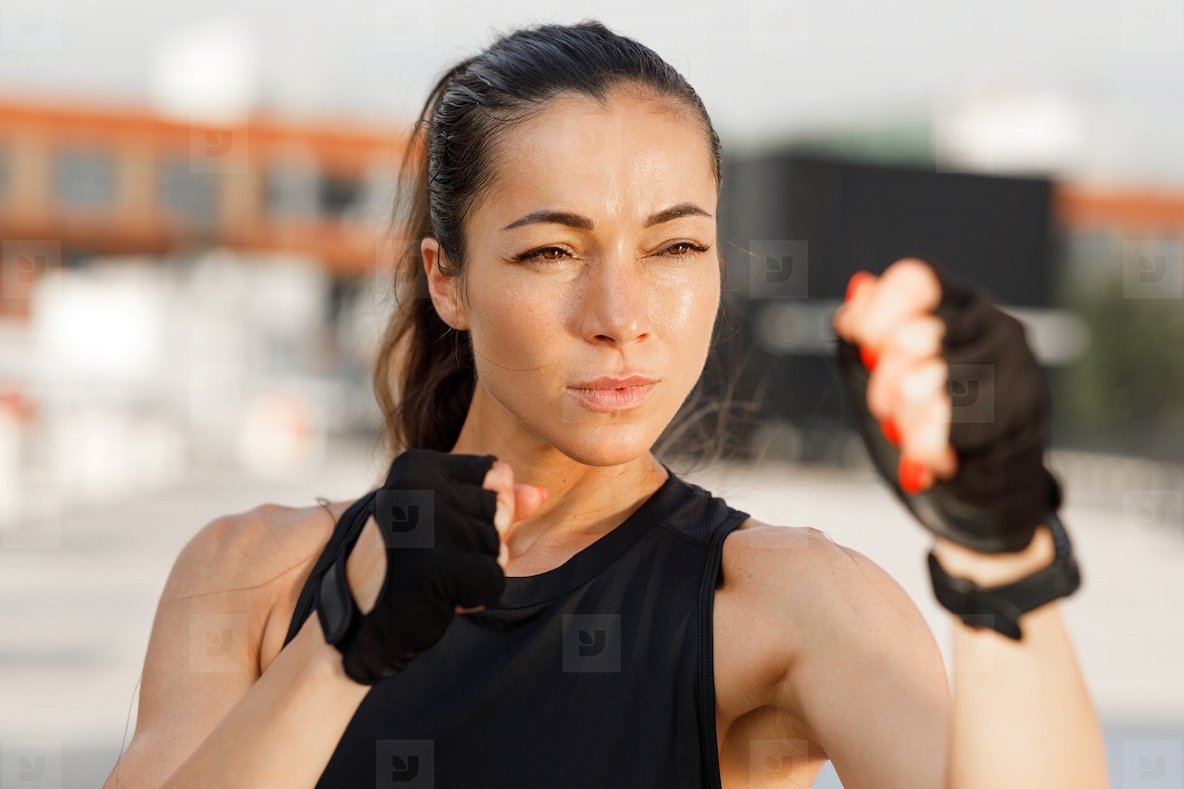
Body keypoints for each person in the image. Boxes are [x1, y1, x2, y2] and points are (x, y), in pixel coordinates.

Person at [104, 20, 1107, 789]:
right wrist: (340, 650)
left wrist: (999, 551)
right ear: (446, 280)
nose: (620, 317)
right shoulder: (251, 576)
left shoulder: (784, 604)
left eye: (674, 248)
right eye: (550, 252)